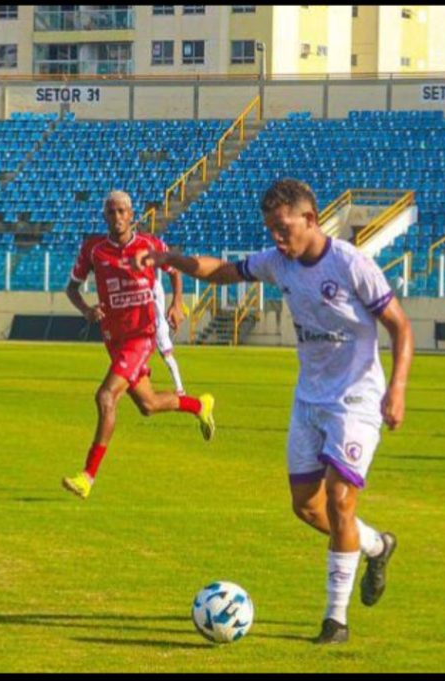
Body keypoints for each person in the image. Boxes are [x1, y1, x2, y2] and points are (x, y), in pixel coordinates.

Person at [135, 178, 414, 645]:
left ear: (310, 219)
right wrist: (172, 260)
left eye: (283, 227)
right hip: (309, 399)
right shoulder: (277, 262)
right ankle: (376, 544)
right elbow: (223, 271)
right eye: (271, 229)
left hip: (357, 399)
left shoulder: (351, 264)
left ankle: (335, 621)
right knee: (307, 507)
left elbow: (400, 326)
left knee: (340, 499)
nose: (277, 238)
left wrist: (398, 389)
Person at [61, 190, 216, 500]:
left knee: (106, 396)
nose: (117, 217)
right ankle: (200, 405)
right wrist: (87, 310)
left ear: (132, 215)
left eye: (122, 211)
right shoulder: (94, 250)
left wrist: (176, 303)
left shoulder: (149, 244)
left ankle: (87, 476)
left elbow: (174, 270)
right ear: (105, 216)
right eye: (111, 212)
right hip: (114, 339)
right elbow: (72, 288)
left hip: (141, 335)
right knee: (148, 405)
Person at [152, 276, 186, 395]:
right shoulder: (156, 284)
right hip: (154, 325)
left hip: (157, 327)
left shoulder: (152, 285)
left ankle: (179, 388)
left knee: (167, 357)